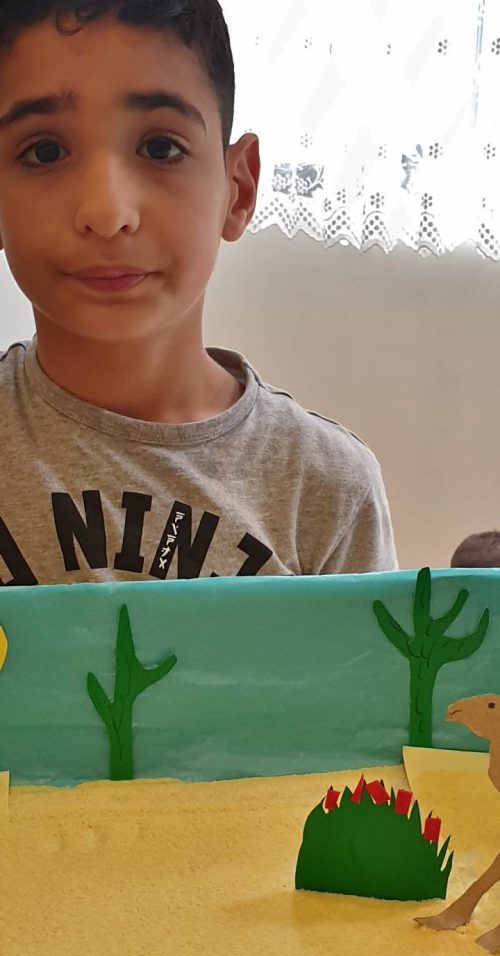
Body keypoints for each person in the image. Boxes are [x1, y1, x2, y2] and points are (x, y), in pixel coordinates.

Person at [0, 0, 398, 585]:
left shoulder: (329, 489)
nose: (107, 213)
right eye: (45, 151)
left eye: (160, 148)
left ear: (238, 190)